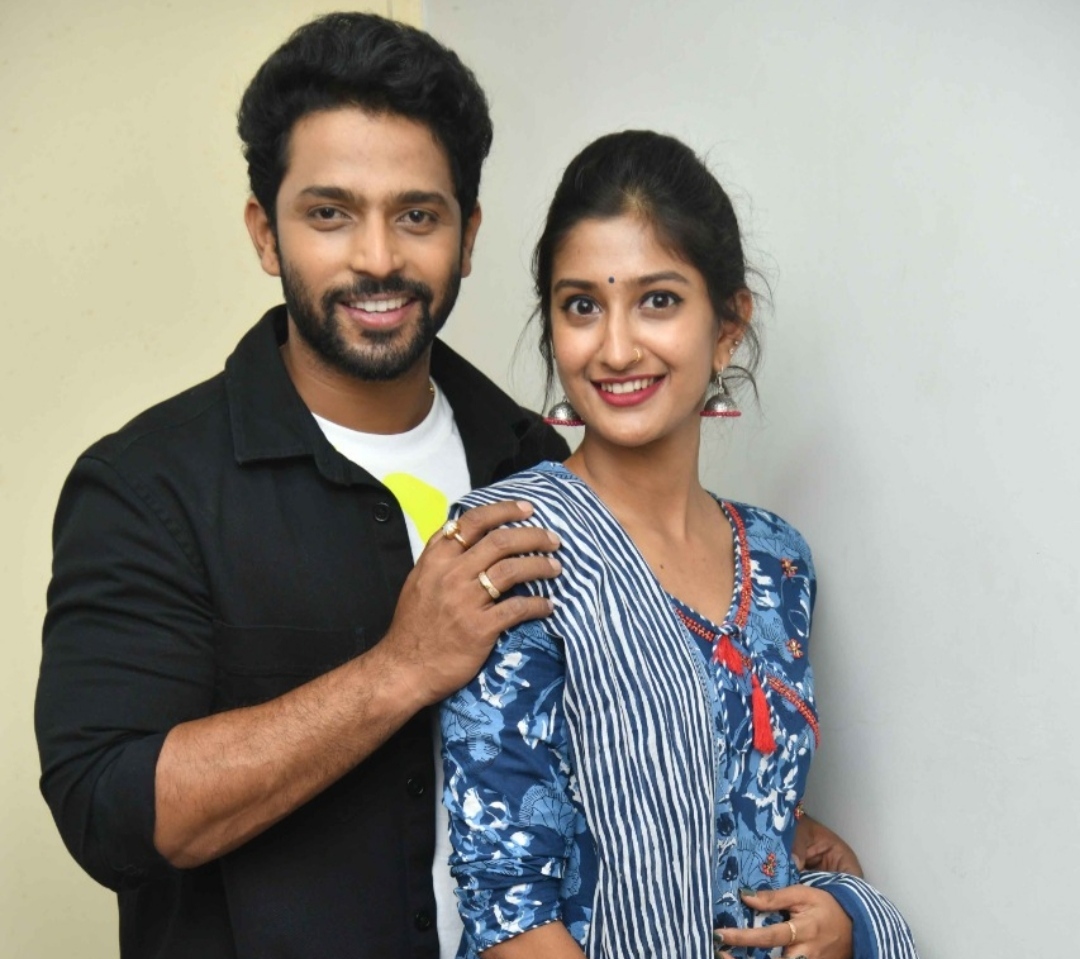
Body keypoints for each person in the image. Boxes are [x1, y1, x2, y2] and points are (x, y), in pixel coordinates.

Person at [34, 13, 572, 959]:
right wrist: (397, 669)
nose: (378, 257)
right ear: (265, 233)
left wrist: (784, 835)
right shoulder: (147, 486)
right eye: (330, 213)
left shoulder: (535, 462)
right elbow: (110, 812)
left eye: (418, 215)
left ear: (468, 235)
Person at [440, 131, 919, 959]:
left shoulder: (780, 561)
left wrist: (842, 918)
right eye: (581, 305)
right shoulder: (510, 547)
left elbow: (744, 812)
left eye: (657, 300)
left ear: (728, 326)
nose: (616, 347)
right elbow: (509, 910)